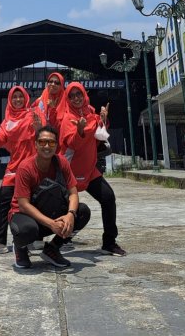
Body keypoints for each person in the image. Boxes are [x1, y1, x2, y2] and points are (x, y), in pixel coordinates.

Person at [9, 125, 91, 269]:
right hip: (25, 214)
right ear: (35, 144)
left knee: (82, 211)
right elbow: (23, 204)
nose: (47, 146)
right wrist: (51, 224)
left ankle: (52, 249)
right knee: (27, 230)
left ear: (57, 145)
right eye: (42, 142)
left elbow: (73, 193)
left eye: (51, 142)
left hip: (49, 209)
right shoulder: (25, 167)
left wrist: (70, 215)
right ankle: (20, 247)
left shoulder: (62, 162)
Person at [59, 81, 126, 257]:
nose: (76, 98)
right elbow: (71, 144)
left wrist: (103, 120)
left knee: (108, 198)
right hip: (70, 171)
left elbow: (100, 136)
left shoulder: (91, 113)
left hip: (89, 170)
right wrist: (79, 131)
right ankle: (58, 238)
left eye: (78, 94)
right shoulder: (67, 118)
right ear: (68, 98)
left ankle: (109, 242)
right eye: (72, 95)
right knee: (67, 209)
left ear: (84, 94)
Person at [0, 86, 41, 256]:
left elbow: (43, 136)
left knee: (31, 203)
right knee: (4, 202)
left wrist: (38, 129)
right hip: (14, 167)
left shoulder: (33, 115)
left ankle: (33, 239)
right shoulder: (7, 121)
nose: (18, 100)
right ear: (10, 100)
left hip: (32, 166)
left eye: (21, 97)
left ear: (26, 98)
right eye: (15, 97)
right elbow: (0, 141)